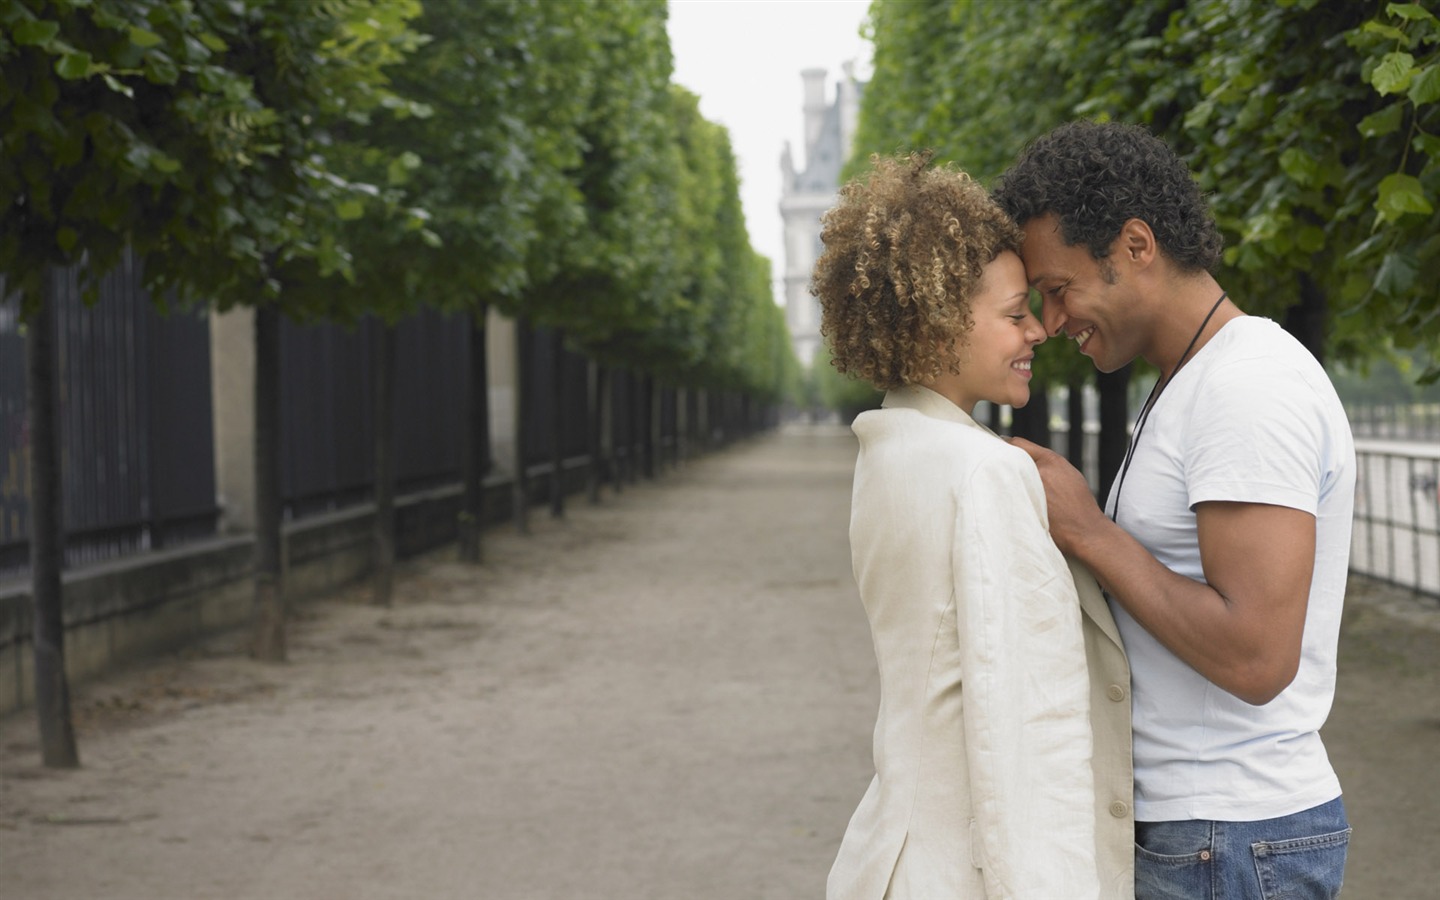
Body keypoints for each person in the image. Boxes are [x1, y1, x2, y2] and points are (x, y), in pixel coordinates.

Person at [993, 120, 1355, 900]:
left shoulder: (1245, 387)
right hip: (1213, 836)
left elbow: (1257, 658)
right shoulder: (1194, 380)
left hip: (1230, 838)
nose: (1052, 323)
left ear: (1135, 244)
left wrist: (1090, 532)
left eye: (1058, 290)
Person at [814, 151, 1132, 899]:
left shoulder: (891, 450)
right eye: (1015, 314)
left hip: (899, 854)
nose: (1038, 332)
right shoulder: (986, 472)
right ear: (940, 318)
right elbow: (1026, 731)